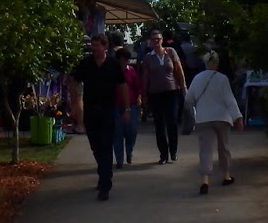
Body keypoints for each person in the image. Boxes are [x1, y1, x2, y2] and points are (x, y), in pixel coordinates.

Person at [71, 34, 128, 201]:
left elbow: (122, 85)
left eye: (97, 45)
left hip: (107, 110)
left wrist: (126, 108)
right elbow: (74, 83)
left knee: (105, 145)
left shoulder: (113, 64)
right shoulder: (86, 64)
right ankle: (103, 172)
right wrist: (75, 104)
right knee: (95, 146)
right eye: (92, 45)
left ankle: (105, 184)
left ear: (105, 46)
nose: (94, 48)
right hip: (90, 111)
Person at [184, 52, 243, 195]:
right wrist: (238, 117)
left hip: (204, 117)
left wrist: (197, 108)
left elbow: (188, 99)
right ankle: (226, 176)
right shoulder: (223, 79)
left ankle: (205, 180)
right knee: (223, 147)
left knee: (205, 150)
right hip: (222, 117)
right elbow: (230, 100)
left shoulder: (197, 78)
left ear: (205, 63)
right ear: (217, 63)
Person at [140, 28, 186, 164]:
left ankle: (173, 151)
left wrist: (183, 87)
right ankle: (163, 154)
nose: (156, 42)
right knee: (159, 125)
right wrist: (144, 94)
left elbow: (178, 69)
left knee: (172, 121)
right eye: (153, 40)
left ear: (162, 40)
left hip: (172, 92)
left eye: (158, 39)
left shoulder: (170, 52)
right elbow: (145, 77)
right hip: (155, 93)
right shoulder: (148, 57)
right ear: (150, 42)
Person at [111, 45, 142, 168]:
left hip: (131, 104)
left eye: (126, 60)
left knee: (132, 130)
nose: (124, 63)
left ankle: (129, 151)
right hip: (115, 106)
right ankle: (119, 159)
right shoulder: (112, 72)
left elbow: (138, 86)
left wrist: (139, 97)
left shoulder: (132, 71)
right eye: (122, 60)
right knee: (117, 132)